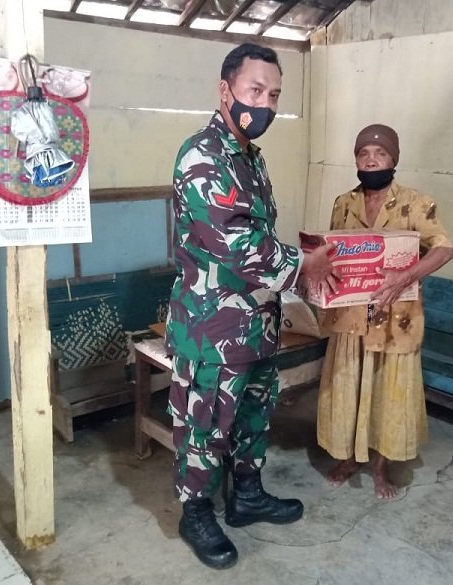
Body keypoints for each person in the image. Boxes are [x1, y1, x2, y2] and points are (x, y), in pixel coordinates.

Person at [165, 43, 338, 570]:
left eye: (274, 95)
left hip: (257, 321)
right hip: (212, 326)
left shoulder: (250, 159)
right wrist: (304, 265)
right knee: (204, 425)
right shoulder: (203, 156)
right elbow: (235, 243)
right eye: (255, 90)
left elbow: (258, 238)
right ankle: (196, 512)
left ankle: (246, 496)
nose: (265, 104)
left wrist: (298, 271)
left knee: (252, 414)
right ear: (226, 91)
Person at [317, 124, 453, 500]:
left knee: (387, 393)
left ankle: (380, 468)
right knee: (348, 387)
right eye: (363, 154)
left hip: (396, 319)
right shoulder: (343, 203)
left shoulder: (416, 203)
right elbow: (333, 252)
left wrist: (406, 276)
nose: (371, 160)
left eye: (380, 154)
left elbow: (444, 249)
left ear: (394, 159)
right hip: (350, 317)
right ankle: (348, 458)